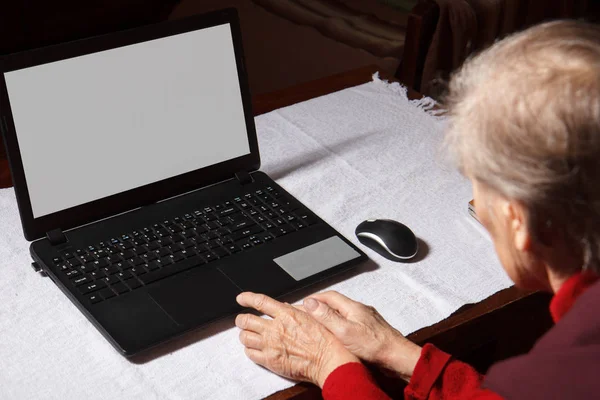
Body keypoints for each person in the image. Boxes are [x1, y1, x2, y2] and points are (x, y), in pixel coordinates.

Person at [234, 20, 600, 399]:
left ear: (518, 220)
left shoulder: (554, 378)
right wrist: (394, 353)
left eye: (477, 185)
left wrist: (327, 364)